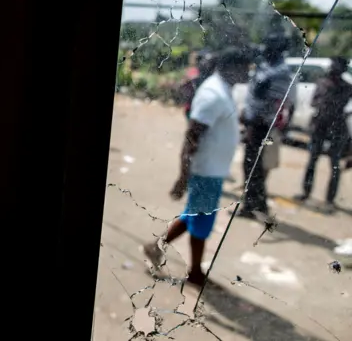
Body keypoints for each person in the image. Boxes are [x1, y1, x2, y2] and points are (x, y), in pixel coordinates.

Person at [142, 47, 249, 286]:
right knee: (201, 222)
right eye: (245, 68)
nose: (248, 73)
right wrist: (183, 177)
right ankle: (196, 273)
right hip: (206, 170)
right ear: (231, 68)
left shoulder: (223, 89)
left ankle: (155, 247)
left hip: (213, 169)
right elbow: (191, 136)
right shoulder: (213, 94)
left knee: (194, 215)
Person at [236, 33, 294, 219]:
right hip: (254, 123)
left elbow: (273, 101)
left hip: (262, 125)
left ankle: (253, 206)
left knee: (254, 167)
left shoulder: (280, 72)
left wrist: (254, 122)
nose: (265, 50)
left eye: (269, 47)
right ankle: (255, 205)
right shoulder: (265, 66)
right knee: (251, 166)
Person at [294, 57, 352, 212]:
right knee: (312, 159)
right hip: (320, 125)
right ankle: (306, 192)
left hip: (337, 127)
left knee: (334, 164)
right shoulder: (322, 83)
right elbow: (314, 102)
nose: (333, 69)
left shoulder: (347, 87)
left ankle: (329, 200)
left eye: (337, 66)